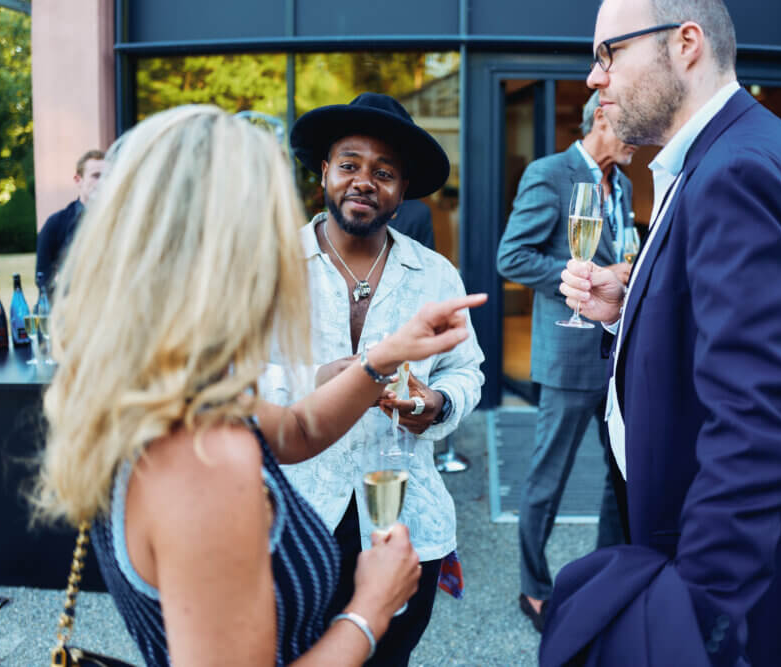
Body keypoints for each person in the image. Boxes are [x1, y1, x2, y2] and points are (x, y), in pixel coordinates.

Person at [31, 104, 487, 666]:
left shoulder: (163, 392)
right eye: (267, 217)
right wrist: (370, 609)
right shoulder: (205, 462)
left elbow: (296, 429)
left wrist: (385, 364)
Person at [548, 0, 781, 665]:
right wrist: (628, 308)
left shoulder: (739, 170)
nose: (593, 78)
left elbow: (760, 422)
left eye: (609, 54)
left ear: (686, 43)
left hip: (715, 585)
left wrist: (694, 618)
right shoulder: (728, 152)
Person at [260, 92, 485, 667]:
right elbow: (231, 380)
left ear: (401, 191)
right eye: (349, 165)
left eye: (383, 173)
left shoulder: (435, 274)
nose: (364, 181)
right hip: (294, 523)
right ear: (324, 175)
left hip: (406, 524)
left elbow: (468, 371)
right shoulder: (268, 266)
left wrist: (438, 403)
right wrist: (318, 379)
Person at [495, 90, 634, 632]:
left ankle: (608, 575)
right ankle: (533, 587)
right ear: (602, 116)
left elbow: (618, 252)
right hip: (569, 355)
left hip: (618, 353)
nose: (641, 142)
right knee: (548, 479)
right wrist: (584, 277)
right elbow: (513, 256)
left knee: (623, 473)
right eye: (632, 128)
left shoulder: (622, 184)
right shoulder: (550, 174)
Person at [35, 149, 106, 291]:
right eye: (96, 176)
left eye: (107, 176)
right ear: (78, 180)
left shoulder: (122, 221)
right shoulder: (55, 224)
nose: (102, 182)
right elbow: (42, 278)